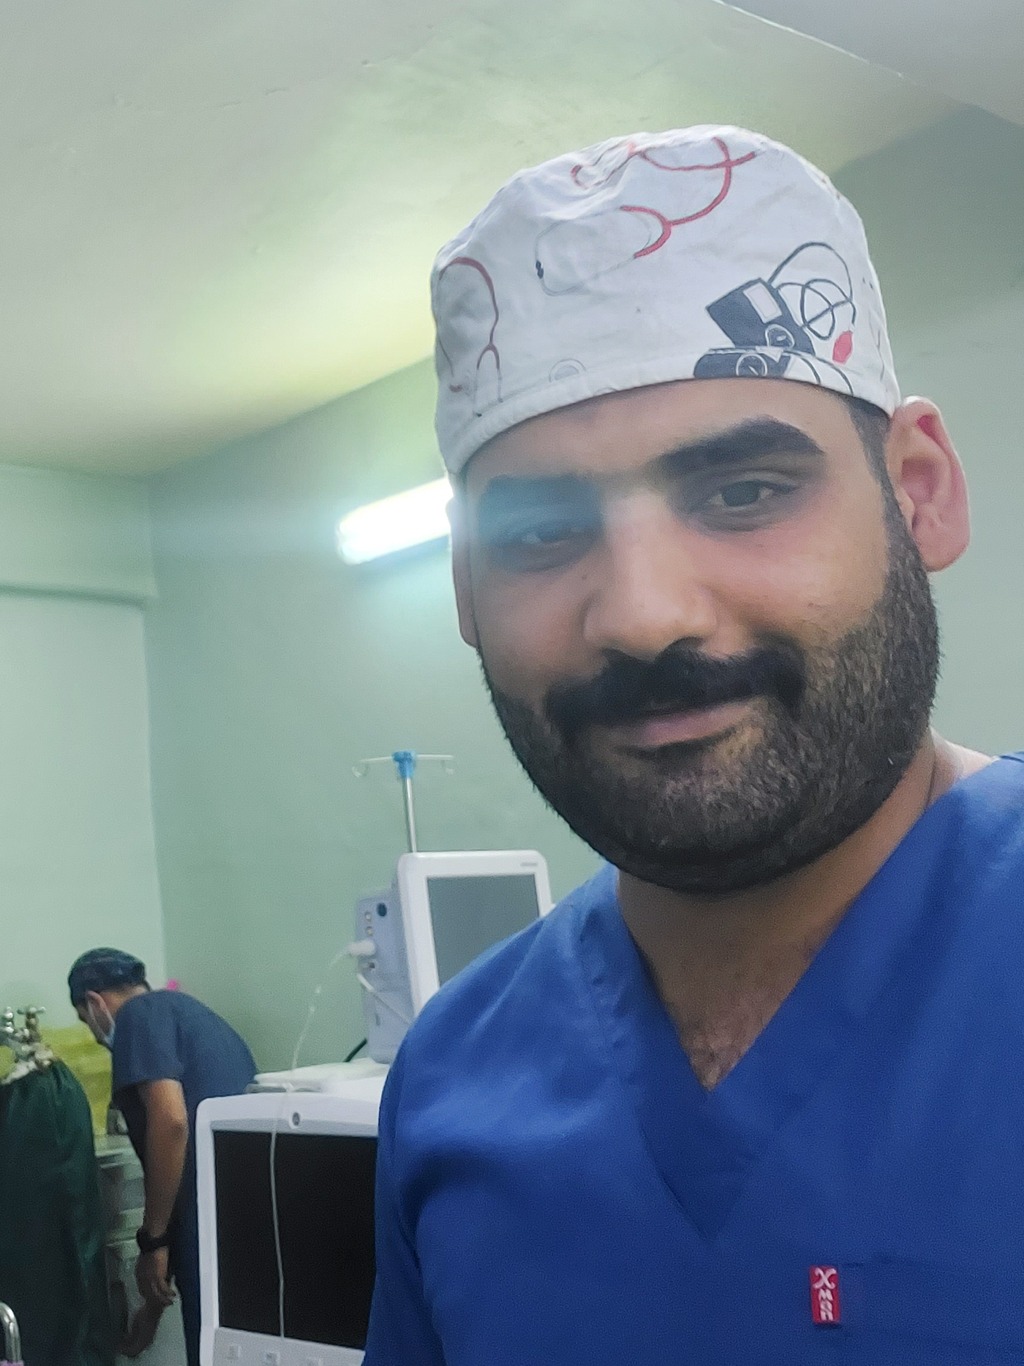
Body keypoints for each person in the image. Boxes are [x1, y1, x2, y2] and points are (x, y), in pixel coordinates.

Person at [363, 125, 1024, 1364]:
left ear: (919, 490)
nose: (643, 614)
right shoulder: (452, 1075)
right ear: (464, 594)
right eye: (540, 535)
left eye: (742, 491)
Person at [69, 949, 256, 1366]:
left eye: (86, 1021)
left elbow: (171, 1123)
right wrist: (151, 1309)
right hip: (243, 1222)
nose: (96, 1036)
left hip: (208, 1225)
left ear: (95, 1002)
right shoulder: (192, 1015)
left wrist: (152, 1241)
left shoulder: (138, 1017)